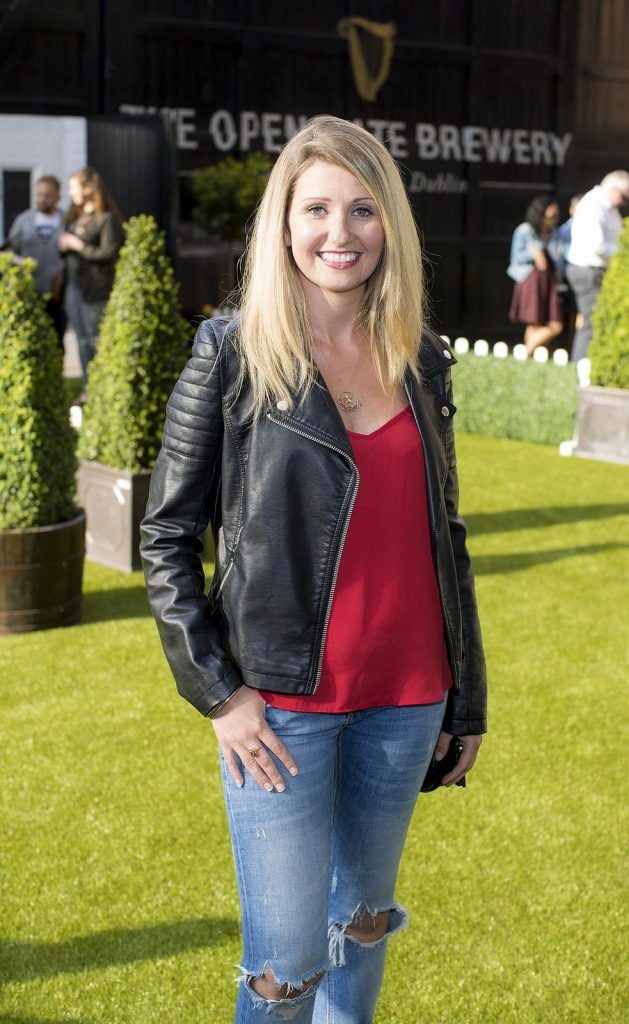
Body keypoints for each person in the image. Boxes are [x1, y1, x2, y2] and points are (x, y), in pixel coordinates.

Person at [140, 115, 487, 1024]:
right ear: (283, 223)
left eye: (364, 210)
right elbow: (166, 537)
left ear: (391, 226)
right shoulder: (230, 354)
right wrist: (219, 692)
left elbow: (444, 535)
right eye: (318, 209)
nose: (341, 233)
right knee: (285, 968)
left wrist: (467, 700)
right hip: (280, 710)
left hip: (406, 700)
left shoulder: (420, 358)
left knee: (363, 923)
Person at [58, 167, 123, 391]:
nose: (70, 192)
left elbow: (109, 253)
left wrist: (78, 245)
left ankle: (102, 389)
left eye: (73, 187)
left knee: (95, 340)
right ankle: (89, 390)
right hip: (73, 286)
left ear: (87, 188)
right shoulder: (75, 217)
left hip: (95, 288)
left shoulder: (105, 219)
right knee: (81, 341)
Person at [566, 170, 629, 362]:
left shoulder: (610, 209)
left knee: (596, 319)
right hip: (587, 271)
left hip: (598, 270)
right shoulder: (594, 205)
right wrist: (624, 252)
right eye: (624, 197)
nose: (624, 202)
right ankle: (580, 366)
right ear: (613, 189)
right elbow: (598, 246)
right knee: (591, 319)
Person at [5, 175, 65, 345]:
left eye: (47, 195)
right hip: (29, 290)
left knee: (56, 338)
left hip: (57, 293)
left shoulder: (65, 221)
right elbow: (9, 252)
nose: (42, 199)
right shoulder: (24, 221)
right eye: (39, 194)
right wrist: (22, 263)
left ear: (57, 197)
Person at [507, 194, 564, 355]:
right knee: (535, 321)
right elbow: (515, 257)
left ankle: (526, 352)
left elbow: (559, 258)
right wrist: (534, 254)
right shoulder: (525, 231)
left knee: (554, 324)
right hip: (530, 280)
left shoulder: (555, 233)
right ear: (541, 214)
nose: (554, 218)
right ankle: (529, 355)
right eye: (551, 215)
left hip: (549, 280)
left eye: (556, 215)